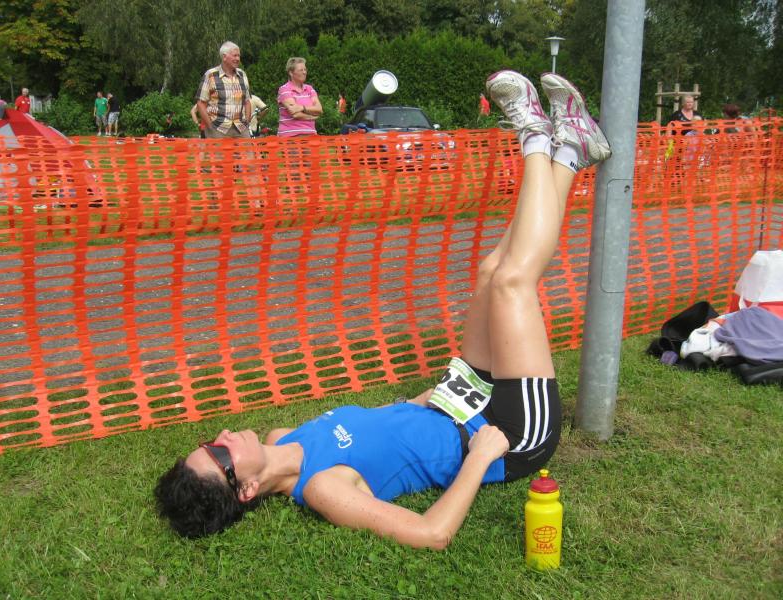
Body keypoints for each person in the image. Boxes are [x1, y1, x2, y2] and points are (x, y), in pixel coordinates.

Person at [155, 70, 611, 548]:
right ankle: (535, 136)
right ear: (246, 489)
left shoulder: (281, 437)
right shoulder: (322, 488)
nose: (224, 436)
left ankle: (571, 149)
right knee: (512, 283)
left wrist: (418, 403)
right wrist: (480, 458)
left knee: (490, 272)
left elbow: (375, 428)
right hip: (509, 436)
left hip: (455, 402)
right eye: (220, 455)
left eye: (210, 442)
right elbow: (430, 533)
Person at [196, 41, 253, 139]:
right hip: (218, 129)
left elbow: (247, 101)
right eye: (234, 56)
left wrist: (247, 122)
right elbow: (201, 103)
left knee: (248, 150)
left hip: (241, 128)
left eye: (239, 56)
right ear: (224, 57)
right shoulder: (210, 75)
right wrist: (210, 126)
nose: (238, 59)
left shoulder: (242, 74)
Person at [277, 57, 322, 137]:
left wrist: (301, 108)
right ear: (291, 73)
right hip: (291, 137)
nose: (304, 72)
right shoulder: (284, 89)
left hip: (312, 135)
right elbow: (295, 114)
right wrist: (312, 117)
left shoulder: (309, 89)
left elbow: (319, 109)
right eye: (301, 70)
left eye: (305, 69)